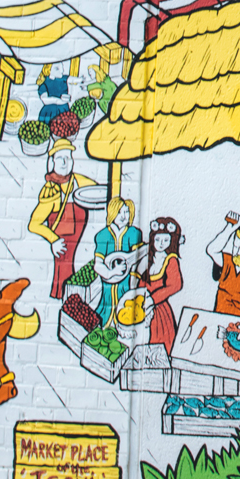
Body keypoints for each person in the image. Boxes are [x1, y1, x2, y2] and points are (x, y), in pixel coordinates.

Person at [28, 138, 97, 300]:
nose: (65, 161)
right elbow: (34, 224)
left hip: (77, 235)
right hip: (62, 238)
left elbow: (98, 190)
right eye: (60, 158)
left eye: (69, 157)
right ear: (52, 161)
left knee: (69, 264)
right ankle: (62, 295)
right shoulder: (51, 191)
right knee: (64, 265)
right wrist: (53, 240)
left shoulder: (77, 181)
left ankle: (66, 295)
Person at [92, 193, 143, 326]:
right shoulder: (103, 236)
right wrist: (112, 272)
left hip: (127, 288)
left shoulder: (134, 234)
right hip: (107, 290)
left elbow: (141, 259)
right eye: (119, 212)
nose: (123, 216)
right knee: (104, 316)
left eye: (126, 212)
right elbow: (98, 264)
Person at [139, 217, 185, 352]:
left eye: (165, 240)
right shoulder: (149, 258)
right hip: (143, 307)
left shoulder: (170, 260)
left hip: (159, 310)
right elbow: (142, 280)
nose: (160, 244)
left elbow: (175, 285)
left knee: (160, 344)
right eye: (158, 240)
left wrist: (152, 299)